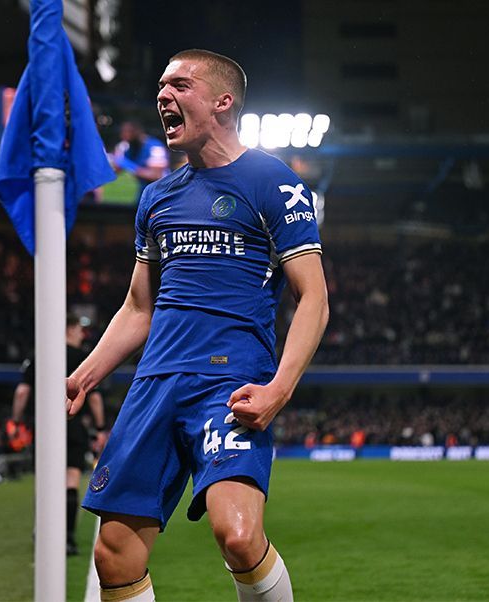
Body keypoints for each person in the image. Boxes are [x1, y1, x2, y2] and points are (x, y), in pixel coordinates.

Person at [67, 49, 328, 601]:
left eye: (181, 85)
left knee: (238, 534)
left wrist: (279, 388)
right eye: (162, 87)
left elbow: (314, 298)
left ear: (223, 102)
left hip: (228, 381)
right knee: (113, 554)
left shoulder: (272, 182)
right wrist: (85, 375)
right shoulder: (156, 197)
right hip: (156, 381)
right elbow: (139, 307)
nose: (164, 95)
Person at [11, 314, 107, 556]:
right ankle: (68, 539)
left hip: (44, 424)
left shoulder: (39, 356)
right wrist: (100, 427)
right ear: (69, 329)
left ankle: (43, 532)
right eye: (79, 330)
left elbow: (22, 392)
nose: (82, 335)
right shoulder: (83, 359)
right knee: (70, 479)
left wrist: (16, 420)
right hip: (72, 423)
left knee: (45, 481)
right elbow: (94, 397)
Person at [111, 120, 170, 203]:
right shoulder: (127, 147)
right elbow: (116, 170)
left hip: (161, 192)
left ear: (136, 132)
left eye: (128, 132)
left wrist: (128, 164)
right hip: (144, 190)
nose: (123, 136)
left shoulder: (155, 147)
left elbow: (155, 175)